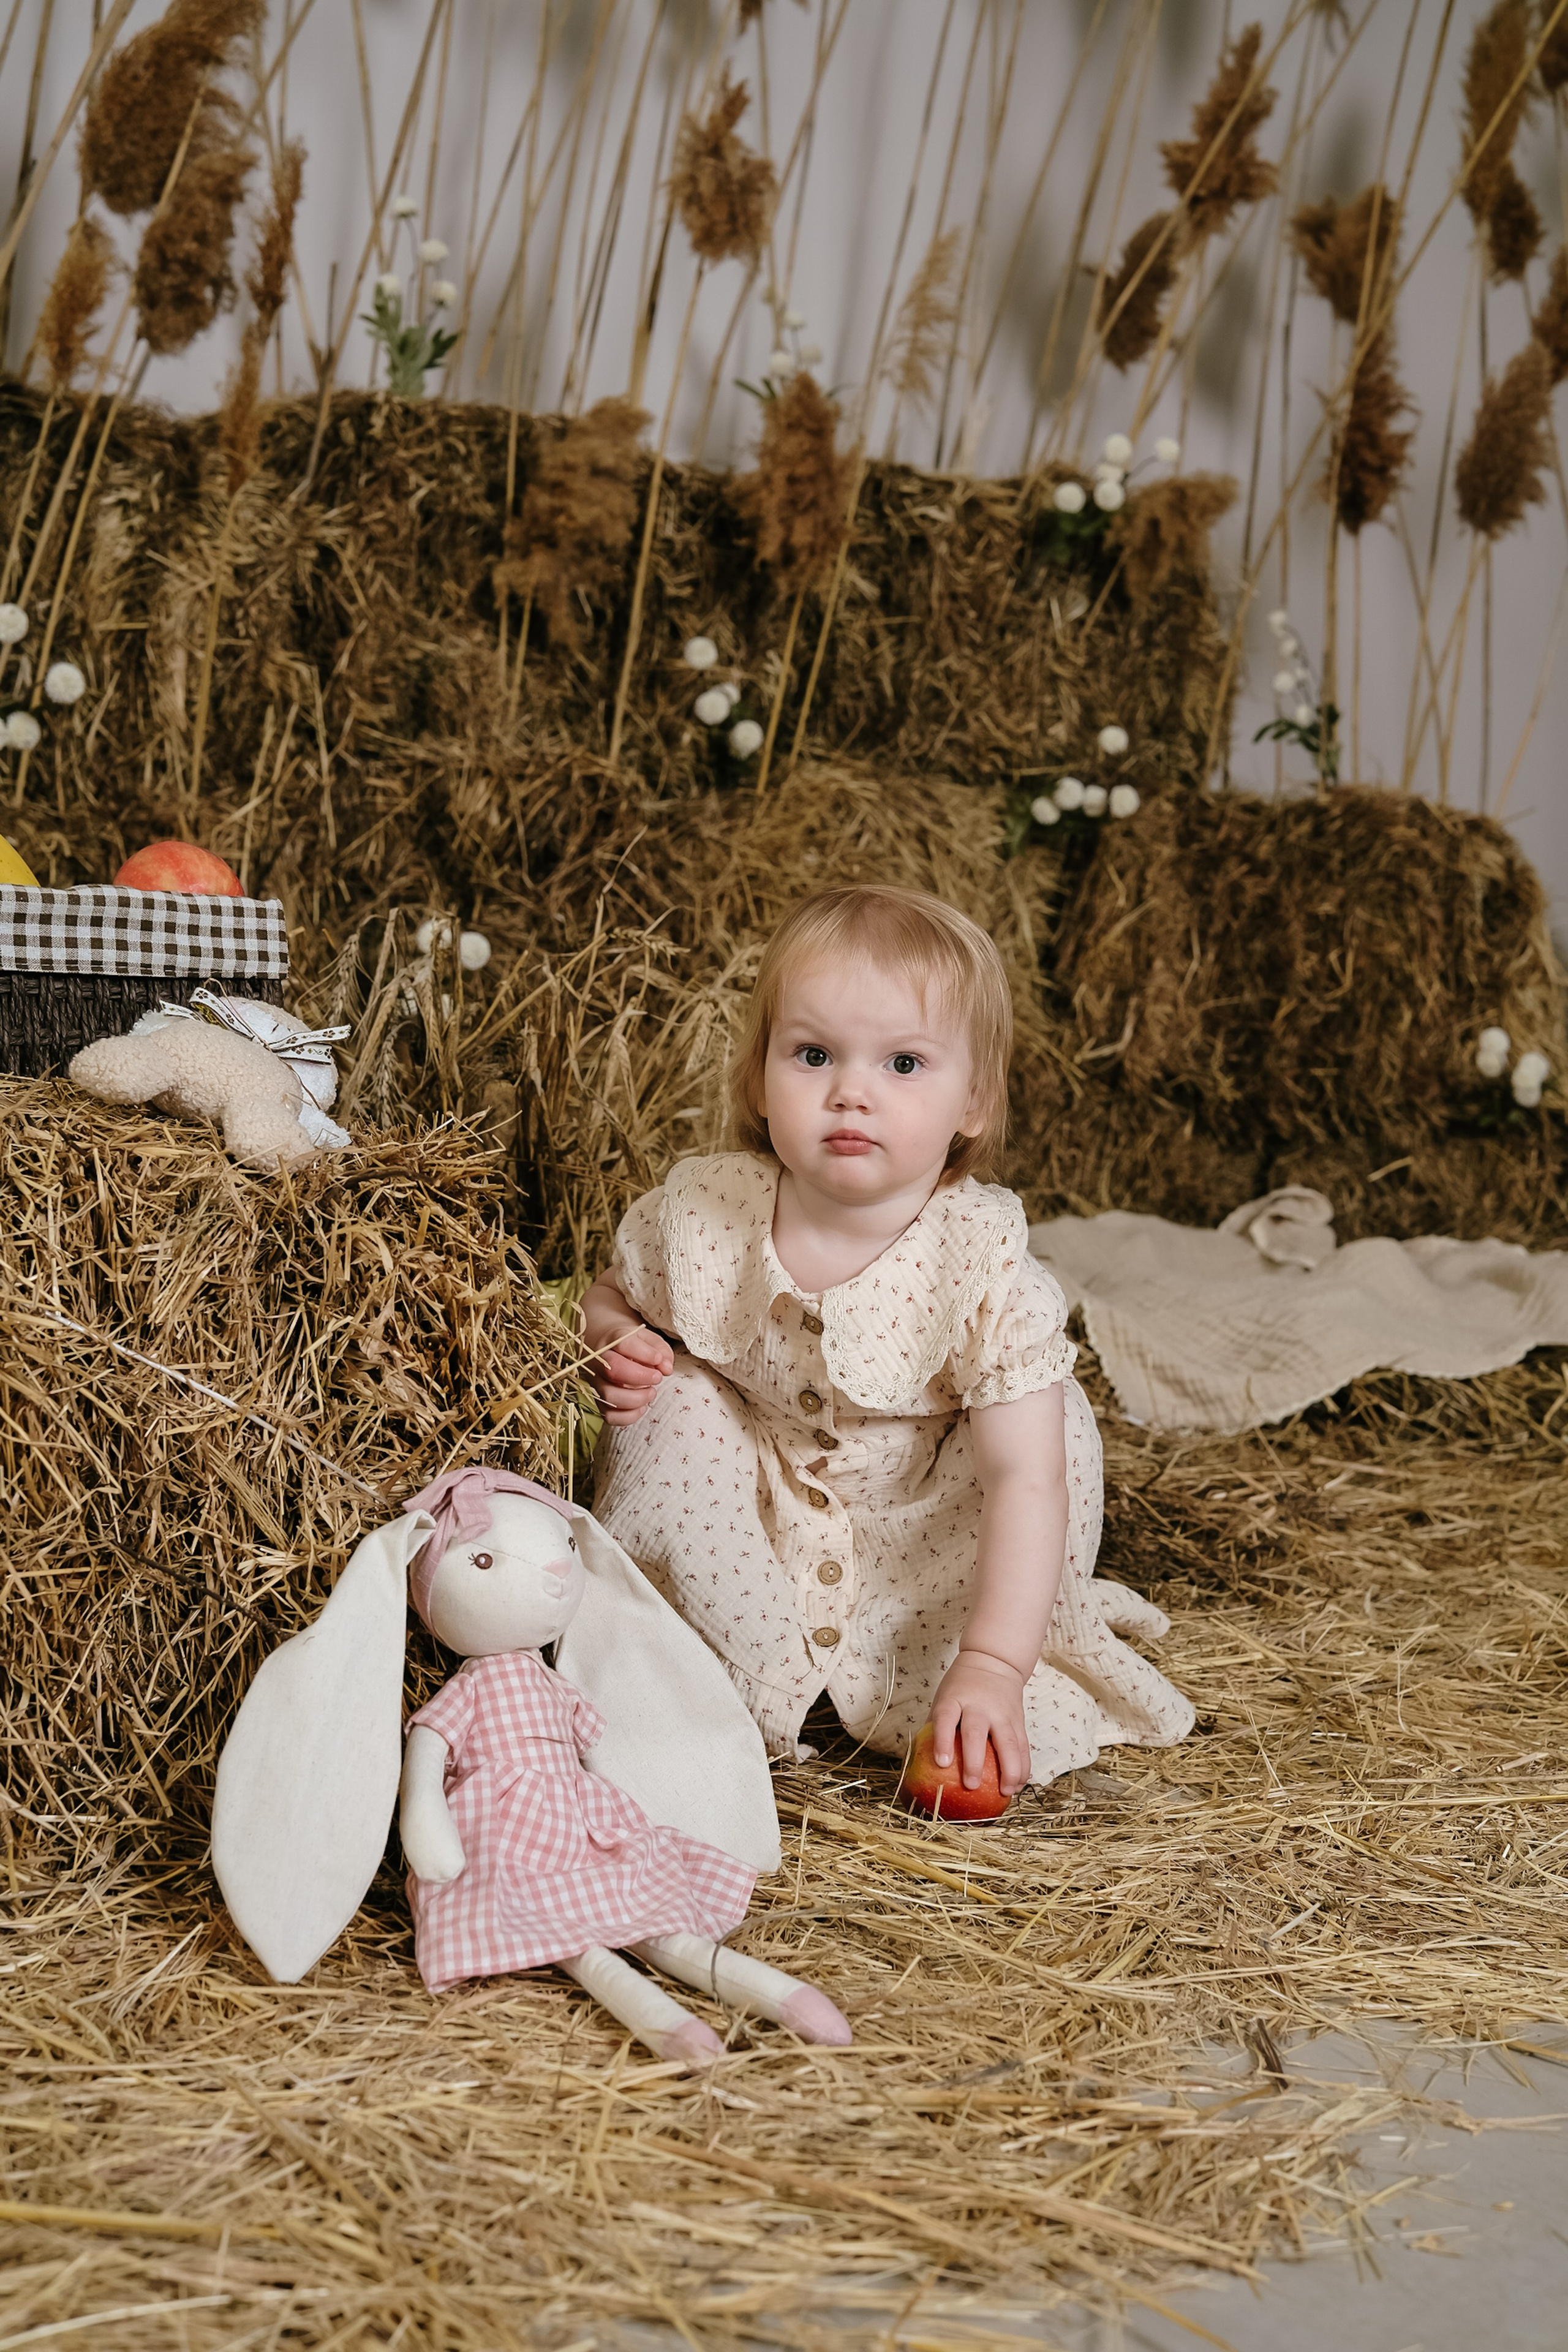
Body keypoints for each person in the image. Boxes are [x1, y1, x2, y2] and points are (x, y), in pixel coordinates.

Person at [579, 884, 1193, 1793]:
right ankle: (722, 1665)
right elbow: (605, 1298)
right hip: (753, 1517)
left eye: (904, 1064)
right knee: (674, 1399)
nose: (851, 1092)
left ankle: (975, 1676)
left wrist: (990, 1661)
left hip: (925, 1546)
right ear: (757, 1077)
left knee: (1050, 1423)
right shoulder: (706, 1214)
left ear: (974, 1100)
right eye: (814, 1053)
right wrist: (616, 1342)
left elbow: (1023, 1480)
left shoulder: (981, 1265)